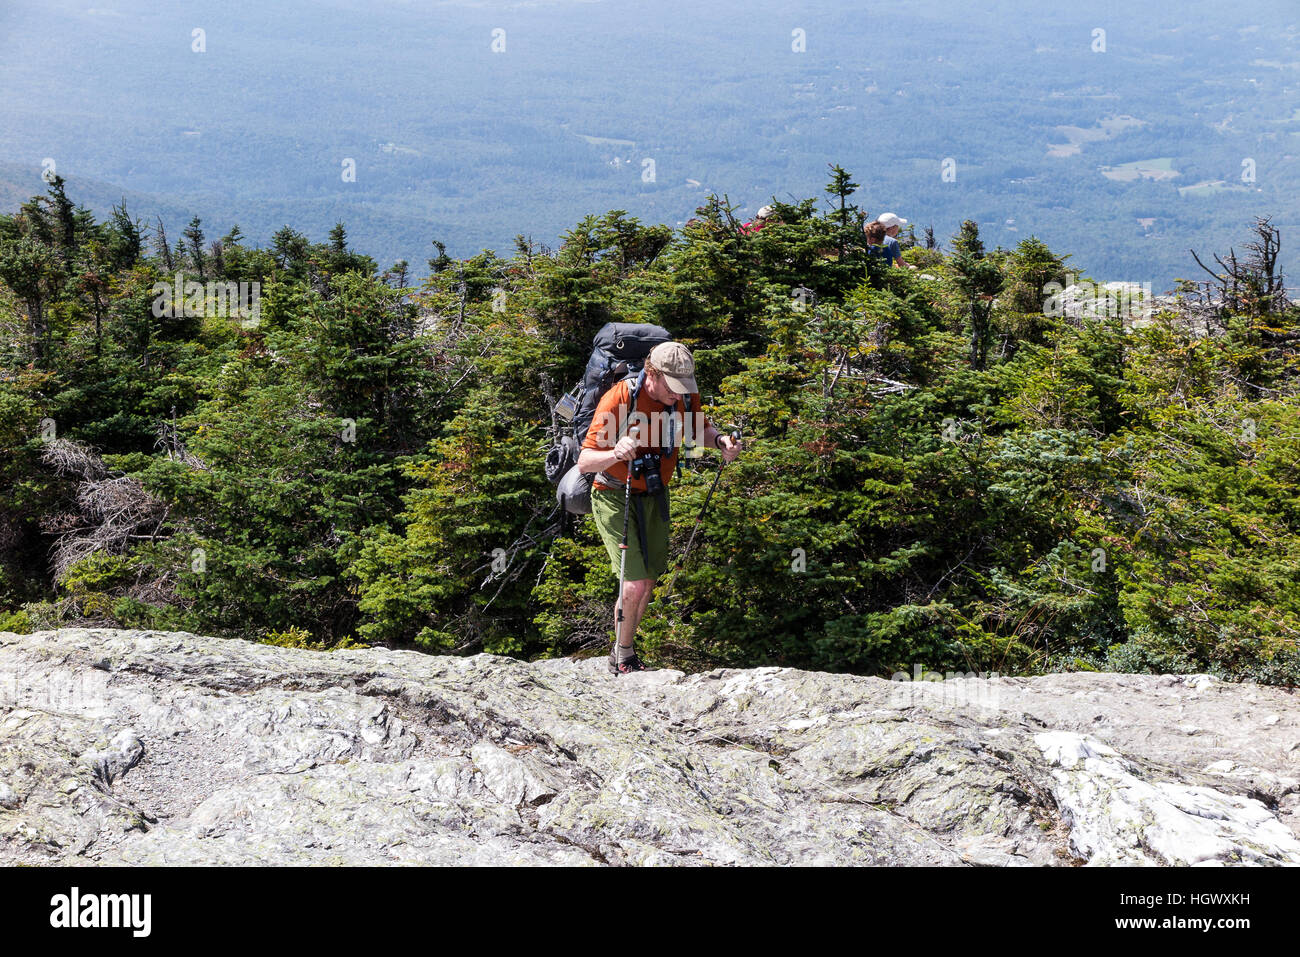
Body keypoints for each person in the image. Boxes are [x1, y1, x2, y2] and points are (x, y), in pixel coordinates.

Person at [577, 342, 742, 674]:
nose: (679, 393)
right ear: (651, 374)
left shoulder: (681, 396)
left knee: (649, 580)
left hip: (654, 494)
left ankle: (625, 650)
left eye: (684, 386)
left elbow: (698, 430)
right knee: (635, 583)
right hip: (614, 493)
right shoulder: (621, 399)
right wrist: (615, 453)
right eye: (673, 385)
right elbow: (584, 463)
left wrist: (721, 441)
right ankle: (622, 658)